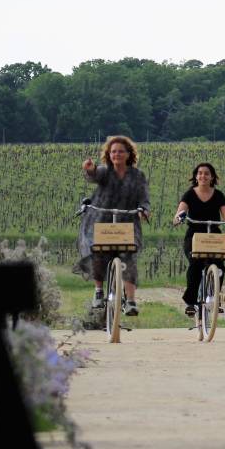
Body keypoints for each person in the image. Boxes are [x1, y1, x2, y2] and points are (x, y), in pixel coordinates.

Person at [75, 135, 150, 317]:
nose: (117, 154)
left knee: (128, 258)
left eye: (121, 151)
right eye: (113, 151)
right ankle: (99, 291)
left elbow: (144, 198)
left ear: (128, 154)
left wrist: (144, 210)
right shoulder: (105, 172)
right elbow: (93, 175)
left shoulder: (138, 175)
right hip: (101, 220)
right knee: (99, 253)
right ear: (109, 154)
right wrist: (90, 169)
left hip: (127, 221)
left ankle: (130, 301)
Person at [172, 162, 225, 317]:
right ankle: (190, 301)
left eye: (206, 173)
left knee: (220, 266)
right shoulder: (189, 194)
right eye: (200, 173)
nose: (203, 176)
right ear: (196, 176)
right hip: (194, 235)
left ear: (212, 177)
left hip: (214, 235)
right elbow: (178, 214)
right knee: (195, 263)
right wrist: (179, 218)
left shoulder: (219, 195)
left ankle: (215, 297)